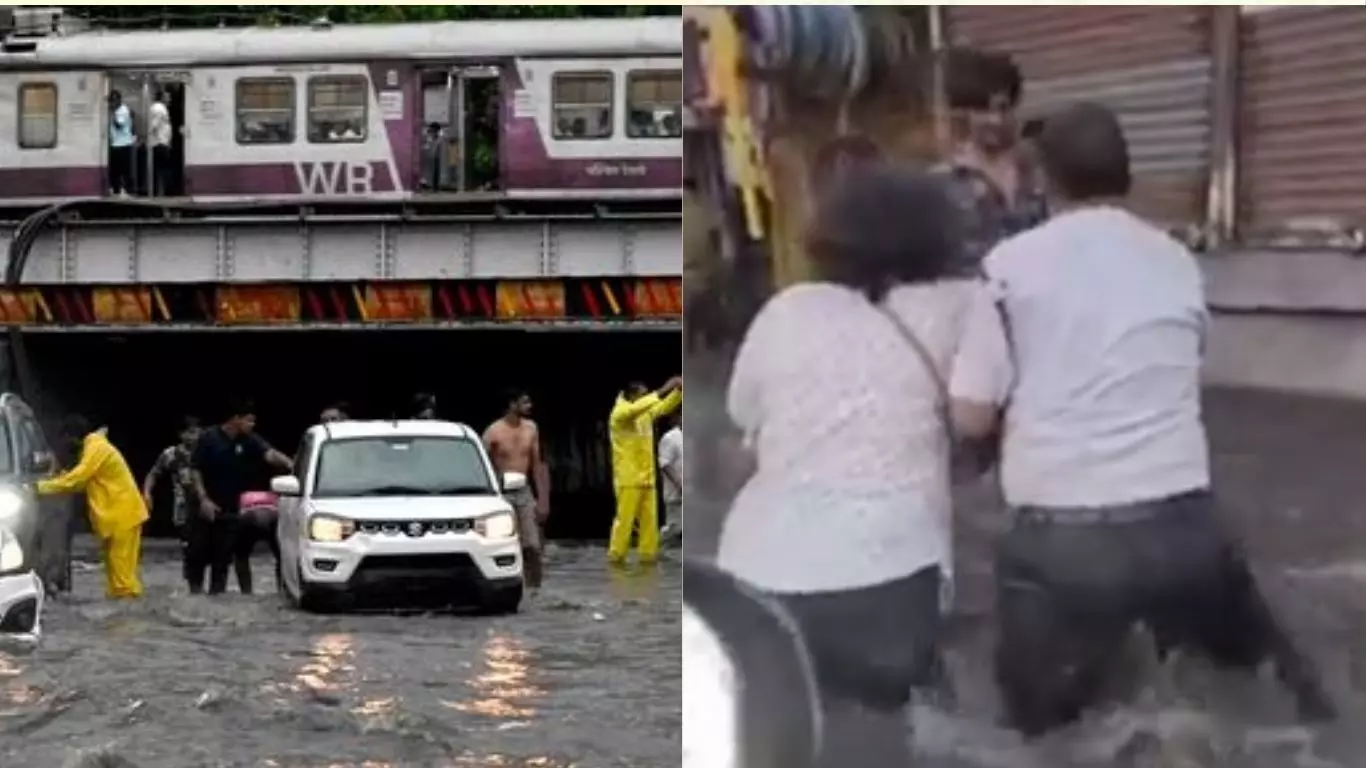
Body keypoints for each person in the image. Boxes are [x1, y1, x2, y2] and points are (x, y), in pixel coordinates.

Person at [948, 102, 1334, 737]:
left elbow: (969, 417)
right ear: (1126, 176)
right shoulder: (1177, 262)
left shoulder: (1009, 267)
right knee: (1283, 706)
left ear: (1044, 180)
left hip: (1062, 546)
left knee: (1033, 735)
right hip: (1187, 532)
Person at [715, 167, 978, 767]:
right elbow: (979, 418)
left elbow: (742, 422)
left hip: (757, 582)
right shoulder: (961, 306)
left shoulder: (784, 311)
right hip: (889, 582)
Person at [936, 49, 1048, 273]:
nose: (994, 120)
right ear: (966, 114)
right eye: (982, 111)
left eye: (1003, 108)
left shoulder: (1039, 168)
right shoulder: (949, 179)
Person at [36, 416, 148, 600]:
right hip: (117, 517)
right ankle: (120, 619)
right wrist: (56, 479)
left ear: (74, 436)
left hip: (123, 516)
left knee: (123, 580)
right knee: (115, 576)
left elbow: (78, 478)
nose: (66, 445)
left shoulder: (96, 447)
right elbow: (80, 477)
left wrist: (40, 488)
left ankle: (128, 621)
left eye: (66, 440)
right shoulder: (94, 448)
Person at [191, 400, 293, 595]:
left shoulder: (249, 440)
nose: (252, 425)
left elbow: (269, 454)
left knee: (222, 558)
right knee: (198, 553)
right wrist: (203, 499)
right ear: (236, 419)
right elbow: (195, 469)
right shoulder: (209, 437)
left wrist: (291, 465)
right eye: (249, 421)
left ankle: (216, 598)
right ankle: (194, 595)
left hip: (231, 507)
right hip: (204, 505)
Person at [607, 376, 682, 565]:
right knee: (625, 522)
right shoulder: (620, 413)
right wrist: (664, 388)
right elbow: (635, 409)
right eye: (642, 395)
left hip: (646, 478)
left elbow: (662, 408)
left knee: (650, 525)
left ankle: (648, 559)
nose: (646, 398)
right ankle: (616, 557)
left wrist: (678, 392)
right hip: (628, 478)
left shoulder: (644, 415)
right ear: (632, 395)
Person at [482, 389, 551, 589]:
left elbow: (538, 464)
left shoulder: (531, 428)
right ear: (512, 405)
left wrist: (543, 499)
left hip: (524, 491)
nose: (529, 406)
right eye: (525, 402)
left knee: (533, 545)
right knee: (507, 544)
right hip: (501, 493)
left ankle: (535, 591)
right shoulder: (493, 431)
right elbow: (481, 464)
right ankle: (511, 587)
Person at [142, 416, 202, 590]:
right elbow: (154, 473)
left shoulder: (206, 450)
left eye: (197, 432)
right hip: (183, 506)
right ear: (181, 434)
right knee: (189, 545)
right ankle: (193, 581)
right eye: (190, 432)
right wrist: (147, 492)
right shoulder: (171, 454)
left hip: (205, 502)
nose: (194, 436)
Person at [657, 412, 683, 547]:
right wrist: (679, 483)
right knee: (675, 528)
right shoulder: (670, 438)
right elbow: (664, 463)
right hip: (676, 493)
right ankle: (657, 547)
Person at [108, 90, 135, 197]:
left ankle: (127, 189)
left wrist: (112, 113)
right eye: (111, 101)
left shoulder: (123, 110)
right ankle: (116, 189)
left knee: (124, 169)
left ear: (119, 100)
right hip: (116, 144)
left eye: (114, 101)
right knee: (115, 170)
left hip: (123, 144)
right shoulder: (117, 110)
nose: (112, 103)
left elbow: (118, 125)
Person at [148, 89, 173, 197]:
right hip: (160, 142)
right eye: (168, 97)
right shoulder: (159, 109)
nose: (170, 99)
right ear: (162, 97)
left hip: (161, 141)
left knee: (161, 168)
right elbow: (154, 125)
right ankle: (160, 192)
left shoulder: (159, 108)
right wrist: (156, 137)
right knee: (162, 169)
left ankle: (160, 191)